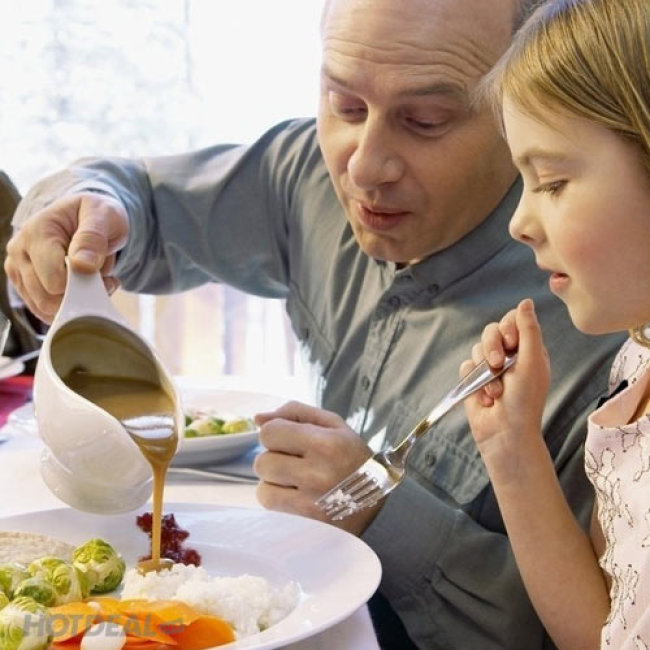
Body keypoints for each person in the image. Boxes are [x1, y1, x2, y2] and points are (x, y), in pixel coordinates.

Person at [4, 0, 625, 647]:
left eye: (425, 120)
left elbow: (588, 628)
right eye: (344, 104)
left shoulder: (604, 314)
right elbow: (143, 201)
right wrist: (84, 211)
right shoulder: (309, 176)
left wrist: (375, 505)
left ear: (522, 110)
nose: (364, 166)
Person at [461, 0, 650, 648]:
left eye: (551, 181)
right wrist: (512, 450)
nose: (519, 223)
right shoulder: (638, 360)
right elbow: (605, 629)